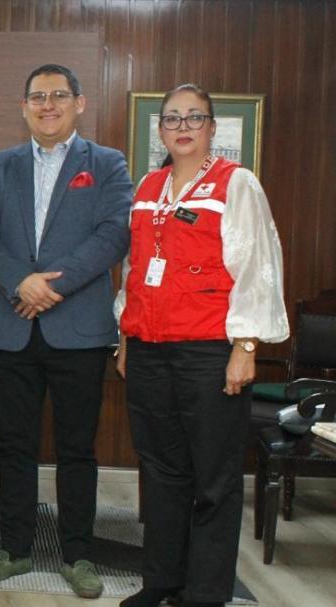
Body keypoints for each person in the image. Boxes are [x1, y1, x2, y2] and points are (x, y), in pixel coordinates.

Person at [115, 84, 289, 607]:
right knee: (162, 473)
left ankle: (206, 592)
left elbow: (258, 266)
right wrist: (125, 335)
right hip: (147, 348)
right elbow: (135, 269)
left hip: (210, 350)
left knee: (213, 478)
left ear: (213, 128)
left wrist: (246, 345)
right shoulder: (148, 185)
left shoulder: (237, 184)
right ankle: (163, 581)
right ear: (161, 130)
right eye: (172, 118)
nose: (183, 126)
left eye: (195, 117)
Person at [0, 63, 132, 599]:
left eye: (59, 95)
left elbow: (113, 235)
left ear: (79, 103)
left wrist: (51, 287)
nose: (48, 104)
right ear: (24, 106)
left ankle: (77, 554)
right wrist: (21, 282)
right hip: (13, 327)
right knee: (14, 446)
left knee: (77, 448)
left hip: (78, 328)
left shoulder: (106, 164)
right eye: (38, 96)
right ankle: (14, 549)